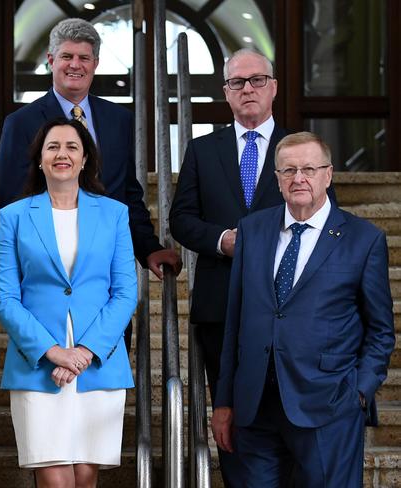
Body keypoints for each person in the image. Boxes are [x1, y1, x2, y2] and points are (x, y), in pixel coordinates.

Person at [169, 48, 330, 485]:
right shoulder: (202, 150)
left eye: (257, 80)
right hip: (222, 308)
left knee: (296, 421)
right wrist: (223, 241)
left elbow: (325, 218)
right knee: (235, 422)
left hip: (293, 306)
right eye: (238, 83)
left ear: (273, 87)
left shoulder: (302, 151)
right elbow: (181, 219)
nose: (248, 89)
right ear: (226, 93)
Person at [211, 132, 395, 487]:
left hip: (329, 406)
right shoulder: (252, 229)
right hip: (254, 407)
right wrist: (224, 401)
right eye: (289, 170)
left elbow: (381, 329)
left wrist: (359, 391)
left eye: (309, 169)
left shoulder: (364, 238)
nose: (299, 178)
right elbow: (235, 320)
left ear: (328, 174)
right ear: (277, 178)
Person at [0, 118, 137, 488]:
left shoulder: (115, 214)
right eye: (53, 147)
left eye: (72, 147)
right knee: (56, 480)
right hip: (38, 364)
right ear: (39, 159)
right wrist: (53, 352)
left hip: (98, 363)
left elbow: (124, 293)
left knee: (86, 480)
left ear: (85, 158)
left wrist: (84, 352)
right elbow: (5, 298)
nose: (62, 154)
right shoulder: (14, 217)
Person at [0, 18, 180, 304]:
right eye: (66, 56)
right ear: (50, 60)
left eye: (84, 57)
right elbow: (12, 201)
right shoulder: (20, 123)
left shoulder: (119, 121)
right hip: (48, 274)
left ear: (95, 63)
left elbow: (128, 194)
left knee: (108, 345)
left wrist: (148, 248)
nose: (75, 65)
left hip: (107, 271)